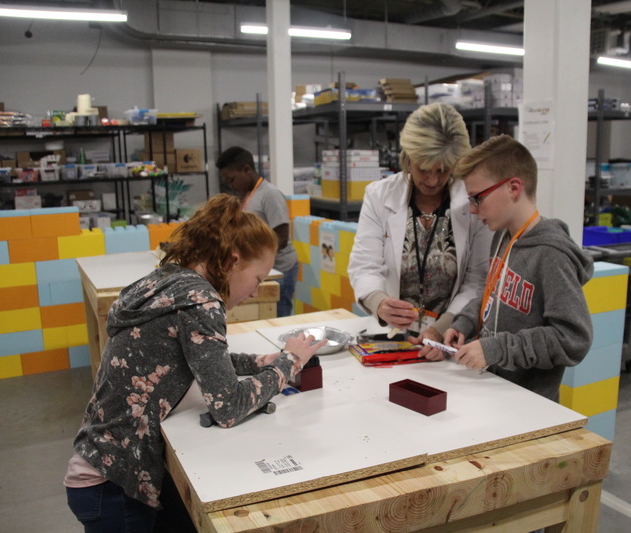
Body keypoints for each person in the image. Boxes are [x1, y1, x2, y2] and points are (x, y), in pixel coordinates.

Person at [64, 194, 326, 533]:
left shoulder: (169, 281)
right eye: (258, 279)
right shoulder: (201, 300)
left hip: (97, 464)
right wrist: (289, 362)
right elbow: (228, 406)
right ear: (233, 261)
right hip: (116, 485)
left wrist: (261, 361)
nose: (256, 291)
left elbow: (199, 358)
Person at [443, 135, 594, 402]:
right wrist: (466, 321)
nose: (473, 210)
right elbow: (493, 295)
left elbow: (573, 338)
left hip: (529, 404)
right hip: (493, 391)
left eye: (478, 198)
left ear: (513, 188)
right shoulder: (502, 237)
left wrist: (496, 348)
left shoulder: (551, 254)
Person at [347, 103, 493, 358]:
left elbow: (477, 280)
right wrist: (380, 303)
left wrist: (442, 328)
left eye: (443, 170)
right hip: (394, 338)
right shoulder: (379, 195)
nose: (433, 180)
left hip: (451, 340)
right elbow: (364, 266)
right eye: (423, 168)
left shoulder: (472, 201)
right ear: (407, 157)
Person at [217, 147, 299, 317]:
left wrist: (250, 254)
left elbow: (281, 238)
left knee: (279, 316)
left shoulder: (270, 194)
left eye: (232, 179)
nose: (231, 185)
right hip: (261, 267)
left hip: (281, 268)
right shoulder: (246, 195)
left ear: (246, 169)